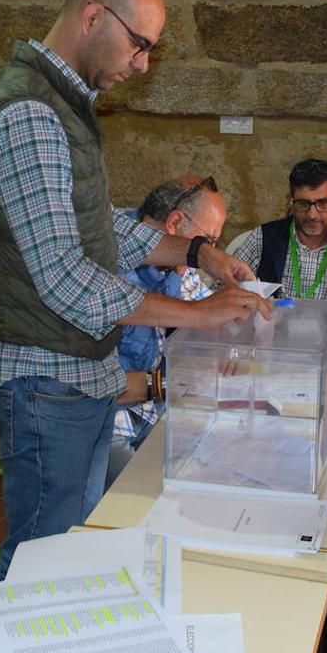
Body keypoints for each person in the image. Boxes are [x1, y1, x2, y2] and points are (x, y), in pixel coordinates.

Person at [0, 0, 269, 580]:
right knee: (41, 559)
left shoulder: (64, 109)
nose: (142, 65)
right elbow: (67, 278)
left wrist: (198, 253)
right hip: (48, 377)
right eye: (140, 45)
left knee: (72, 545)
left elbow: (100, 229)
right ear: (93, 16)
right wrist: (197, 315)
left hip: (80, 373)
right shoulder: (29, 114)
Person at [109, 175, 225, 486]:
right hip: (109, 428)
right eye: (208, 242)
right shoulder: (108, 261)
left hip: (157, 414)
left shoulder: (176, 265)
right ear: (174, 223)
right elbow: (101, 385)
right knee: (146, 498)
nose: (210, 254)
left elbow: (207, 311)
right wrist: (163, 384)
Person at [232, 158, 327, 342]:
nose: (312, 214)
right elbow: (223, 293)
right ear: (291, 202)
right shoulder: (263, 238)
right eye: (303, 204)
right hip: (269, 352)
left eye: (323, 203)